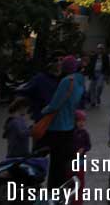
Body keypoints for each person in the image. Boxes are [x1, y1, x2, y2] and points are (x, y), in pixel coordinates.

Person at [42, 55, 84, 189]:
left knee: (56, 162)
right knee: (65, 161)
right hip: (69, 125)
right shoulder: (79, 81)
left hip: (58, 126)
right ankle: (64, 189)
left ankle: (54, 190)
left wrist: (44, 111)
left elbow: (55, 103)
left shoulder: (66, 81)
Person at [15, 59, 60, 126]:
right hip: (45, 115)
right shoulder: (41, 78)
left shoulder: (57, 80)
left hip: (48, 115)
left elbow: (25, 90)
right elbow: (25, 91)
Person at [73, 110, 91, 205]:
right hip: (72, 161)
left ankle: (79, 201)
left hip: (81, 161)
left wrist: (83, 149)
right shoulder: (72, 133)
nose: (81, 123)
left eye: (83, 121)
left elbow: (88, 145)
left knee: (80, 181)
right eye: (79, 121)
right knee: (73, 181)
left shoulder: (85, 133)